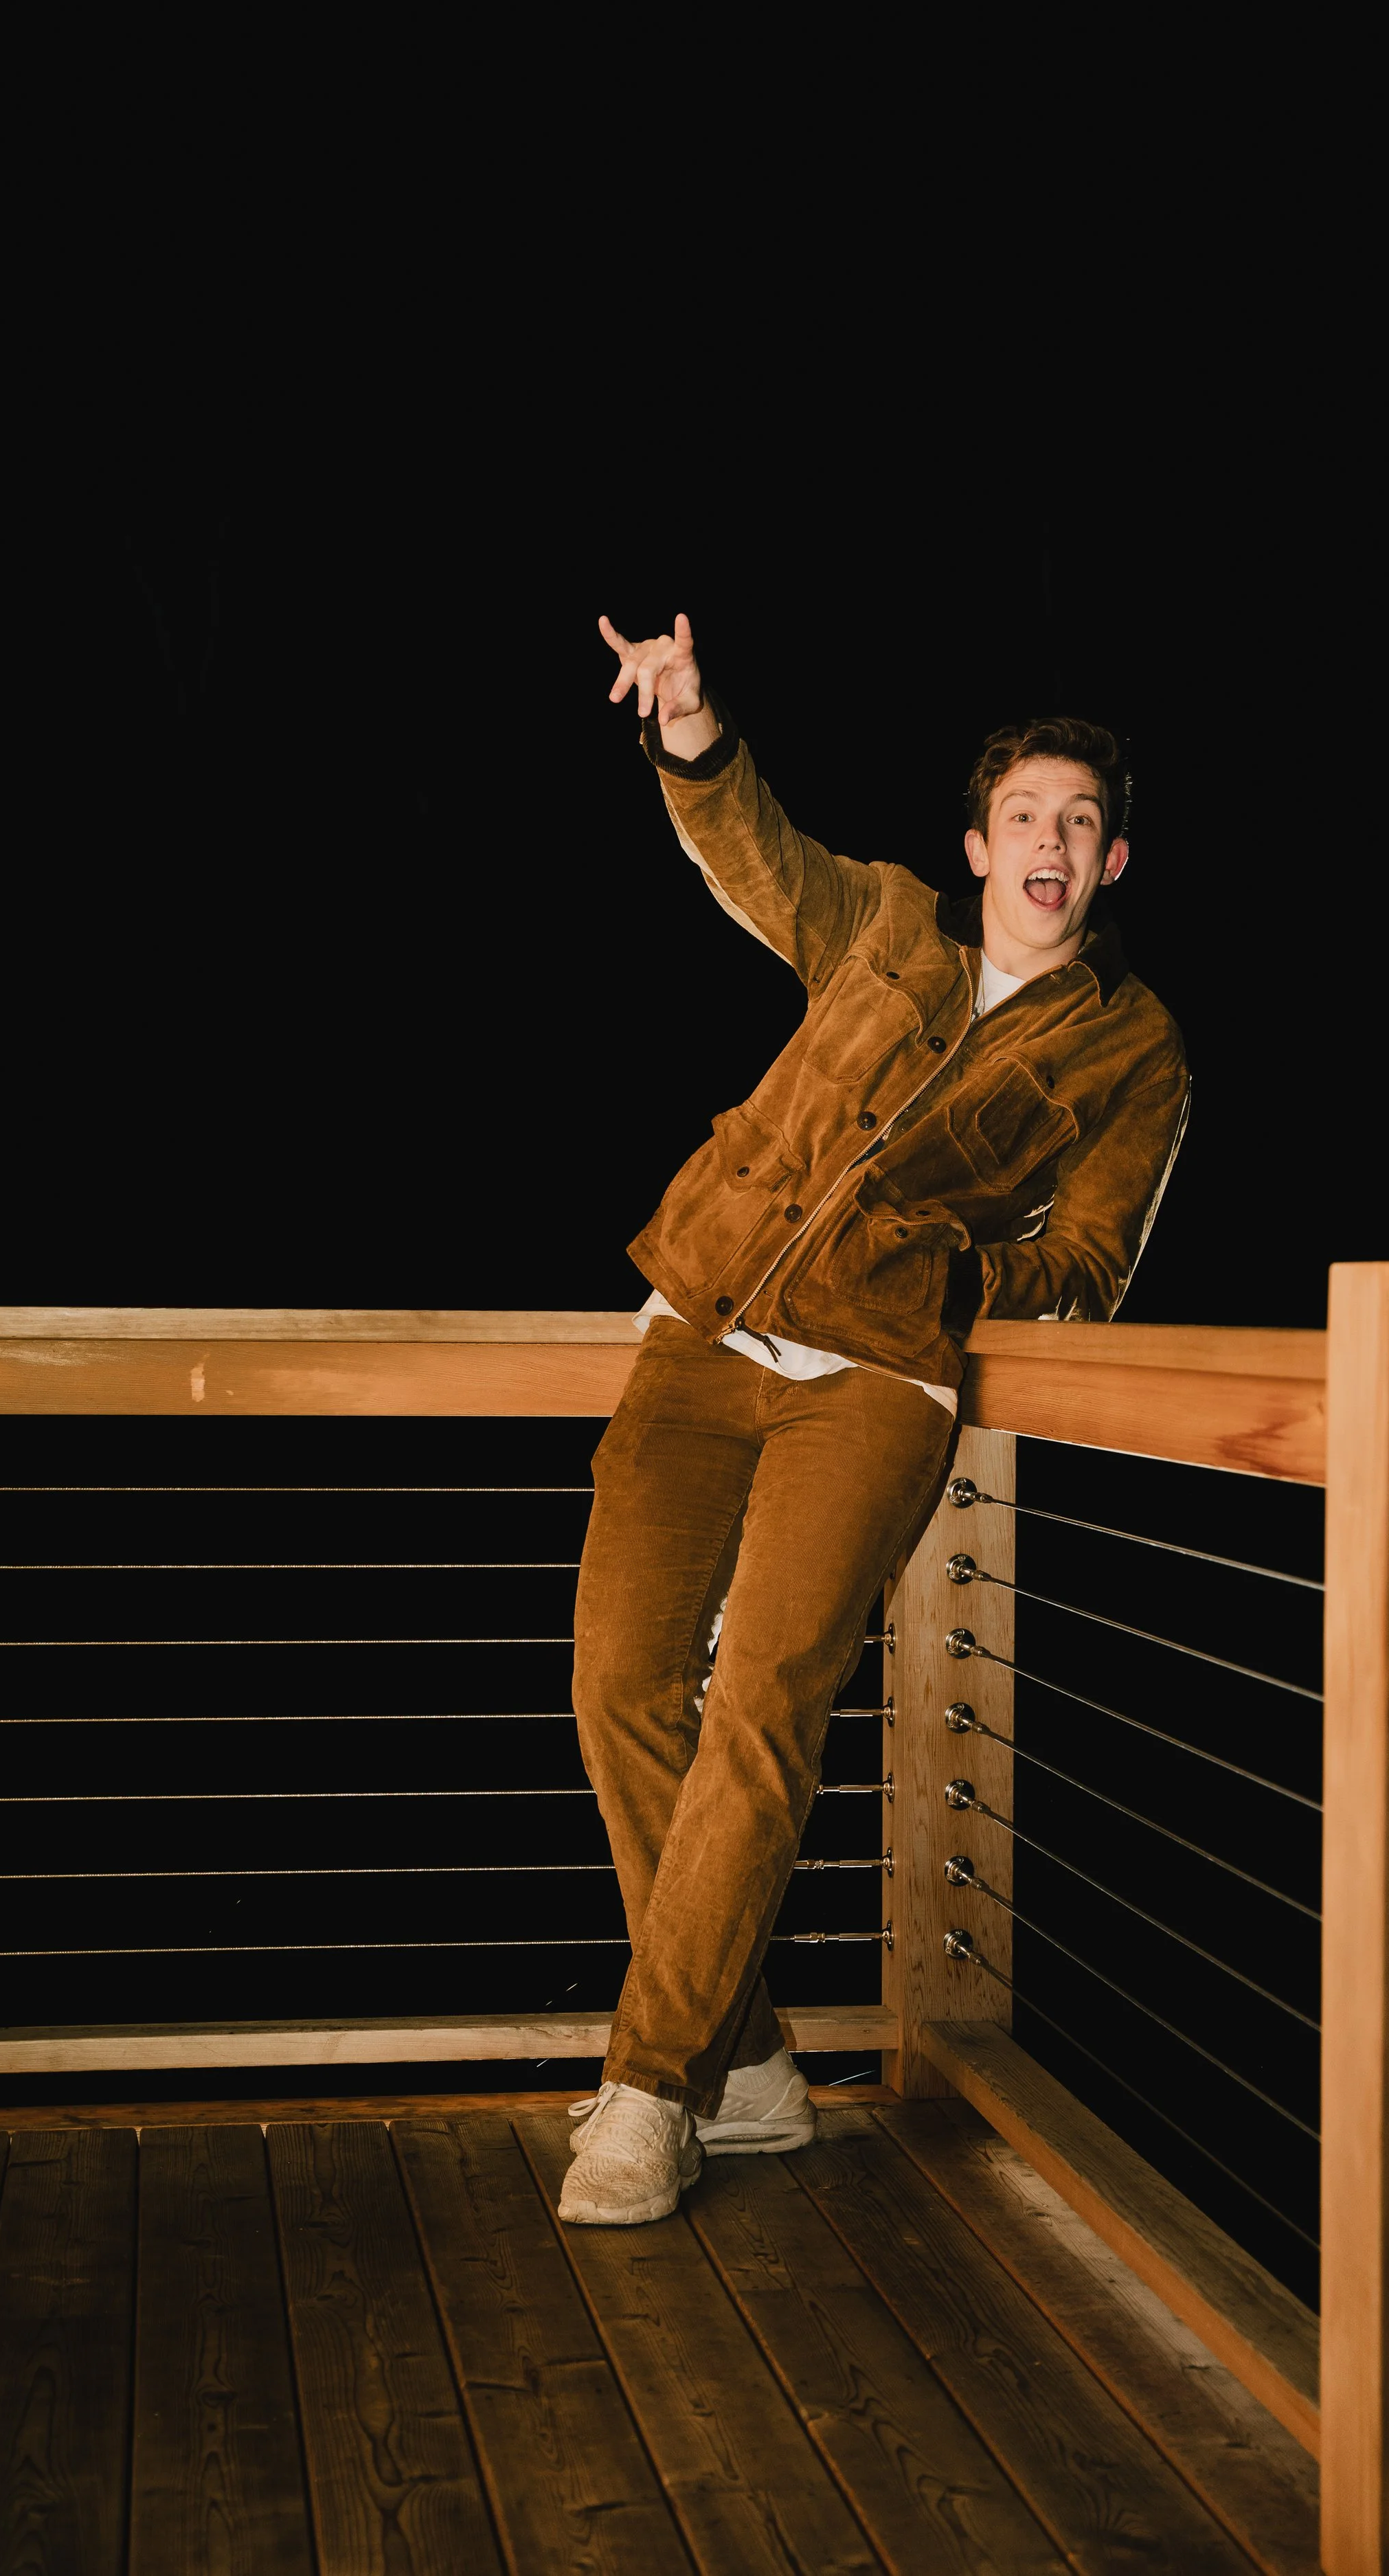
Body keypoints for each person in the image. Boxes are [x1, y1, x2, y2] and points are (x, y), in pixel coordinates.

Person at [560, 611, 1189, 2224]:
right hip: (702, 1325)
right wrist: (688, 726)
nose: (1050, 841)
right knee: (618, 1683)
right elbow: (751, 851)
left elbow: (1087, 1268)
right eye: (1024, 814)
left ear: (1109, 863)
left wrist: (939, 1268)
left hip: (876, 1384)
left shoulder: (1130, 1046)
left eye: (1080, 822)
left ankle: (650, 2092)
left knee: (761, 1705)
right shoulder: (887, 924)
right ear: (976, 847)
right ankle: (748, 2063)